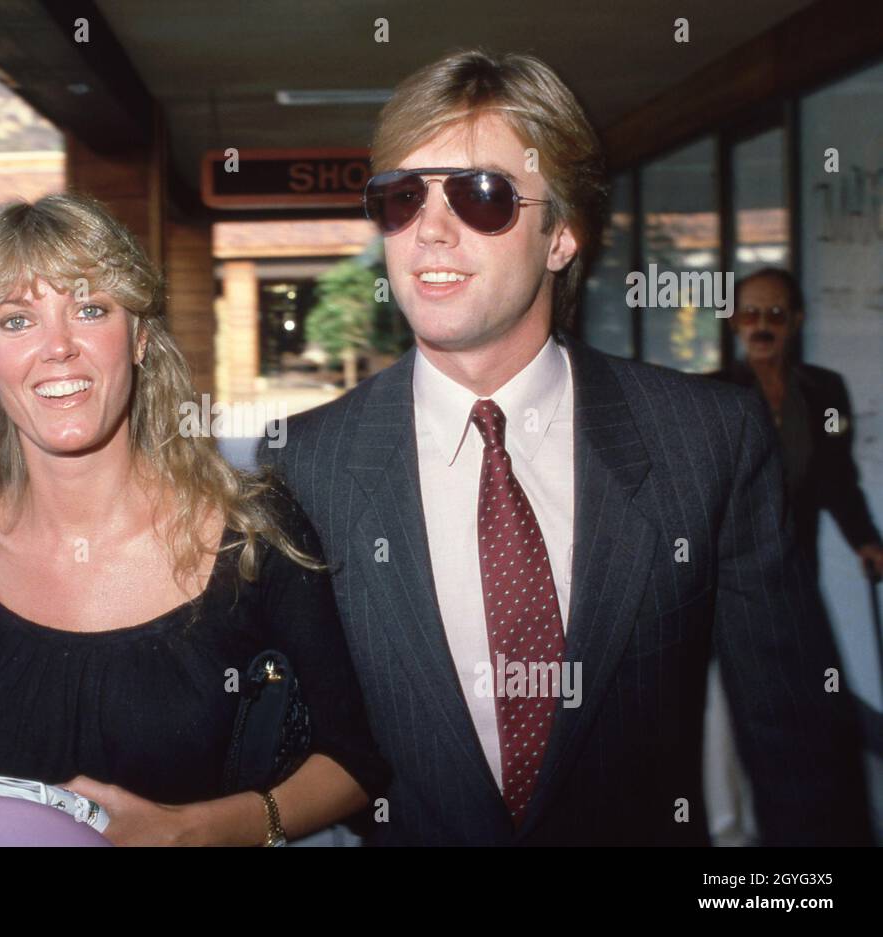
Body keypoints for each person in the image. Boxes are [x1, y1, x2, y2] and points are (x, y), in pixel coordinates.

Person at [257, 48, 871, 845]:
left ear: (561, 235)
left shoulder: (708, 439)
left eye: (480, 196)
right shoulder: (309, 463)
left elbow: (797, 740)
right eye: (403, 197)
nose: (429, 230)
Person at [0, 192, 389, 846]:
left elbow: (354, 759)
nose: (58, 348)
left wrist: (197, 830)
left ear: (137, 339)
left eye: (89, 309)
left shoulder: (250, 535)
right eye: (17, 320)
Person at [713, 267, 883, 582]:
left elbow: (838, 476)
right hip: (728, 576)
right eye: (750, 315)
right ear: (734, 321)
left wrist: (866, 541)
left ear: (796, 321)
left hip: (798, 567)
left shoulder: (826, 393)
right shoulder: (710, 395)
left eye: (776, 315)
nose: (761, 326)